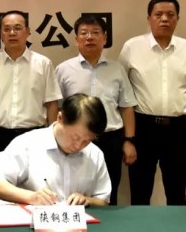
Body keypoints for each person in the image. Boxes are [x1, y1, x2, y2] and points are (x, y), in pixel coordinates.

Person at [119, 0, 186, 206]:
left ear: (177, 18)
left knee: (177, 193)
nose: (164, 19)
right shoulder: (132, 47)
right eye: (158, 14)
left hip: (177, 129)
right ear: (149, 18)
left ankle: (178, 229)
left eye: (170, 14)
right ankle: (140, 229)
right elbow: (121, 90)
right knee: (140, 193)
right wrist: (127, 137)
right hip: (142, 127)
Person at [55, 15, 137, 205]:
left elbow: (126, 107)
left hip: (110, 139)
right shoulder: (63, 69)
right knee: (71, 191)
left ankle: (108, 225)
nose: (89, 37)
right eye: (84, 33)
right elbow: (56, 107)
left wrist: (129, 141)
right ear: (76, 39)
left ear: (105, 38)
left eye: (95, 32)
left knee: (109, 192)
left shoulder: (117, 69)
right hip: (74, 140)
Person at [0, 93, 111, 206]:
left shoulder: (95, 154)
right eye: (75, 137)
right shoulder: (27, 144)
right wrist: (31, 197)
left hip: (77, 223)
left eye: (87, 141)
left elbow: (103, 200)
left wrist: (87, 200)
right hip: (32, 221)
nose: (78, 146)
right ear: (60, 118)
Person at [0, 10, 62, 163]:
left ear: (28, 32)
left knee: (36, 178)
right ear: (0, 34)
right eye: (6, 29)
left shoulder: (43, 64)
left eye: (17, 28)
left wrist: (52, 139)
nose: (12, 33)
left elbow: (52, 103)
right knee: (2, 178)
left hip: (35, 136)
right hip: (0, 137)